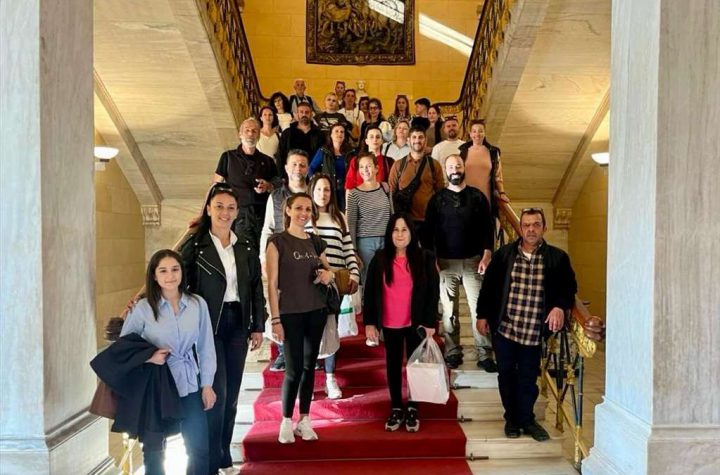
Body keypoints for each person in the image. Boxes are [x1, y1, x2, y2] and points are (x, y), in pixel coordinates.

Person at [180, 184, 265, 474]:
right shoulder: (196, 246)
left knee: (231, 397)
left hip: (237, 324)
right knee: (215, 394)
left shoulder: (244, 246)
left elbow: (255, 287)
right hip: (208, 326)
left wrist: (258, 325)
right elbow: (174, 279)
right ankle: (210, 461)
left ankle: (224, 455)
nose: (224, 213)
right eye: (219, 206)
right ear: (208, 209)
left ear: (237, 212)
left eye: (230, 207)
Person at [476, 208, 577, 441]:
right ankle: (511, 419)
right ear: (520, 229)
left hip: (533, 332)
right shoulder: (504, 255)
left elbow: (569, 288)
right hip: (506, 328)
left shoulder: (557, 258)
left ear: (544, 228)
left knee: (528, 378)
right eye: (527, 225)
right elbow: (488, 288)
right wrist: (482, 315)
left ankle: (527, 419)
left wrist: (559, 306)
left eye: (536, 225)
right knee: (506, 375)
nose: (531, 229)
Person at [120, 249, 217, 475]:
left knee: (199, 447)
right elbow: (125, 346)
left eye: (175, 269)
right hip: (157, 387)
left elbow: (206, 346)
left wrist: (207, 384)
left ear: (182, 272)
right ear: (154, 276)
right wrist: (149, 356)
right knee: (154, 452)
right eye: (163, 271)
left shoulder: (197, 304)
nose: (170, 276)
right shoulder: (143, 308)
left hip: (189, 383)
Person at [266, 193, 336, 444]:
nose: (303, 213)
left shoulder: (316, 241)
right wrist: (275, 319)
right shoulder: (277, 242)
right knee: (293, 369)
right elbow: (272, 283)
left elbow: (329, 270)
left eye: (307, 209)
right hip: (290, 313)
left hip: (316, 311)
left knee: (309, 367)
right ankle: (286, 420)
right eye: (298, 208)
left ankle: (304, 419)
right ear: (288, 210)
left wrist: (328, 275)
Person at [363, 213, 439, 433]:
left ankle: (413, 407)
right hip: (390, 322)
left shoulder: (425, 257)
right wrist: (370, 322)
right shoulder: (379, 259)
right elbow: (370, 293)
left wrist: (430, 322)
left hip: (416, 323)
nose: (399, 234)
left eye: (404, 229)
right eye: (395, 230)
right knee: (393, 366)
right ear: (389, 233)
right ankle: (396, 406)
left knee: (415, 366)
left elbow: (433, 293)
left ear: (411, 233)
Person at [424, 155, 495, 371]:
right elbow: (428, 233)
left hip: (473, 262)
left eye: (458, 166)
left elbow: (487, 227)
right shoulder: (436, 200)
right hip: (445, 263)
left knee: (479, 309)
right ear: (445, 171)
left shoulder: (478, 197)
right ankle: (452, 351)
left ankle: (485, 354)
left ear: (464, 168)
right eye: (451, 167)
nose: (455, 170)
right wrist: (432, 259)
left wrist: (487, 254)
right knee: (449, 313)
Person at [306, 174, 360, 399]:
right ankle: (308, 381)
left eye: (327, 189)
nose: (323, 193)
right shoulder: (306, 216)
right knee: (309, 334)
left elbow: (348, 249)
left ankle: (330, 378)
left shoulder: (340, 217)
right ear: (311, 191)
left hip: (335, 285)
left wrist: (354, 273)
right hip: (311, 284)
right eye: (318, 189)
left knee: (331, 331)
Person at [260, 150, 310, 373]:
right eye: (294, 165)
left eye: (302, 165)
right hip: (281, 255)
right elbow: (268, 228)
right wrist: (264, 257)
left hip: (308, 255)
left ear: (307, 169)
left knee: (307, 303)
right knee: (281, 304)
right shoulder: (276, 196)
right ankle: (282, 351)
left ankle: (310, 351)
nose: (298, 169)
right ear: (287, 168)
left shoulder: (314, 191)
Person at [213, 118, 278, 251]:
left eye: (254, 131)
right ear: (240, 134)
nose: (250, 134)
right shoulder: (228, 157)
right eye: (247, 130)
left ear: (259, 135)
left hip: (262, 215)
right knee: (240, 253)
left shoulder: (268, 161)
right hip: (237, 215)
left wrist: (268, 186)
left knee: (263, 252)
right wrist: (205, 214)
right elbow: (214, 187)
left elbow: (277, 186)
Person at [387, 126, 444, 242]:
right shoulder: (398, 165)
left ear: (425, 140)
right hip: (404, 222)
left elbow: (440, 193)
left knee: (427, 252)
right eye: (414, 137)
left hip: (428, 220)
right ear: (408, 140)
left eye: (420, 137)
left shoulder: (434, 165)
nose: (417, 140)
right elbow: (391, 193)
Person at [346, 152, 393, 283]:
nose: (365, 170)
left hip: (386, 240)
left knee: (387, 280)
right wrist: (353, 250)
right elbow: (351, 224)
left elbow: (392, 215)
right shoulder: (354, 194)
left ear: (376, 168)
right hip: (365, 244)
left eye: (368, 166)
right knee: (369, 281)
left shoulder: (385, 188)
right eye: (361, 167)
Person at [458, 119, 509, 217]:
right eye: (474, 131)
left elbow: (498, 176)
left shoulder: (493, 152)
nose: (477, 134)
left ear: (484, 133)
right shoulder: (462, 151)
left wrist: (502, 193)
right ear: (470, 134)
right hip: (466, 198)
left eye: (480, 131)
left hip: (486, 198)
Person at [309, 123, 352, 210]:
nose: (339, 134)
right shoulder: (323, 151)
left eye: (342, 132)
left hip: (345, 190)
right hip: (329, 188)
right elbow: (311, 168)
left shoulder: (350, 151)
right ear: (331, 135)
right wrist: (316, 182)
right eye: (336, 131)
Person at [277, 102, 324, 180]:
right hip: (290, 175)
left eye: (307, 112)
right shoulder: (287, 133)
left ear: (311, 114)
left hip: (312, 176)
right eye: (301, 112)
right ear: (297, 114)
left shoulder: (319, 134)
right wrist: (282, 176)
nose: (304, 114)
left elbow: (322, 156)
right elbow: (280, 155)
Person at [345, 126, 394, 191]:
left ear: (382, 141)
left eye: (378, 137)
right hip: (360, 196)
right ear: (366, 141)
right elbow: (349, 186)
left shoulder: (389, 161)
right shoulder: (356, 160)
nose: (375, 139)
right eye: (371, 137)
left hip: (381, 197)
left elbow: (392, 186)